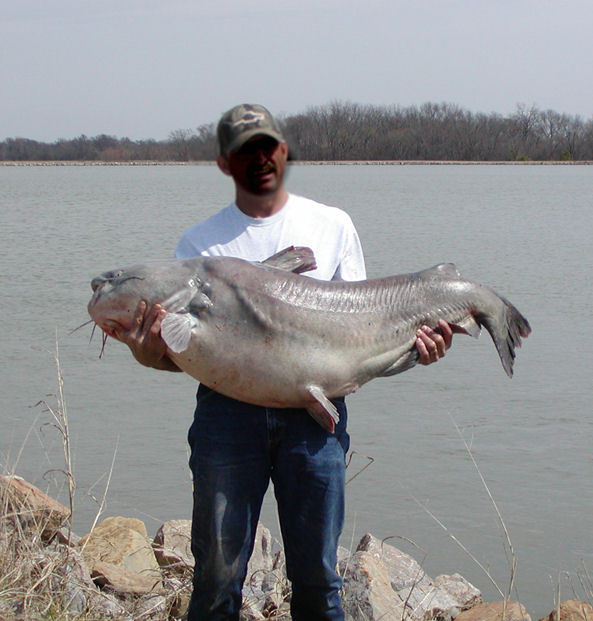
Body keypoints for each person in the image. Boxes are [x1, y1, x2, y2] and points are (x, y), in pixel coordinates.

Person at [116, 104, 453, 620]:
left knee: (318, 578)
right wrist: (145, 352)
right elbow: (180, 358)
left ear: (284, 151)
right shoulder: (198, 246)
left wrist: (417, 351)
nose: (261, 158)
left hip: (315, 422)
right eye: (244, 150)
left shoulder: (333, 225)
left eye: (267, 146)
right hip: (227, 418)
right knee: (216, 576)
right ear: (225, 163)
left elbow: (362, 341)